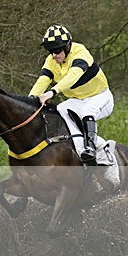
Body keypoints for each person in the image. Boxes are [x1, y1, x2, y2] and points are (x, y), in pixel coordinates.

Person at [29, 24, 114, 165]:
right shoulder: (51, 60)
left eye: (56, 51)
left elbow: (73, 76)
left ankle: (92, 148)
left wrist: (52, 92)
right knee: (60, 110)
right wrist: (30, 100)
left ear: (67, 46)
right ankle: (79, 148)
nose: (53, 56)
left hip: (100, 97)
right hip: (78, 100)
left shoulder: (80, 52)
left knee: (87, 112)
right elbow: (42, 81)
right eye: (50, 51)